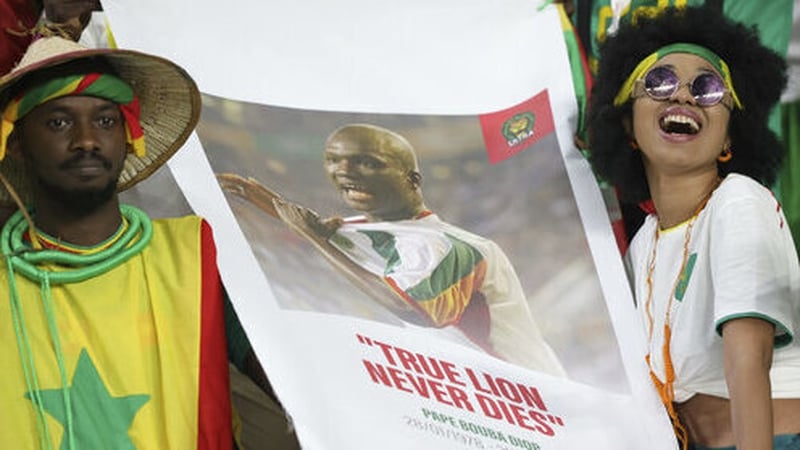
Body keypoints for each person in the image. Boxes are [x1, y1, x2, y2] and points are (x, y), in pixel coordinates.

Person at [0, 36, 297, 449]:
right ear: (16, 146)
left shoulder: (196, 258)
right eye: (59, 122)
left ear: (128, 137)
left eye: (105, 121)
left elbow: (297, 383)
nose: (87, 140)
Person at [587, 5, 800, 450]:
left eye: (708, 88)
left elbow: (748, 361)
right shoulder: (642, 244)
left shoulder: (738, 201)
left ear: (728, 139)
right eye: (660, 82)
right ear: (627, 124)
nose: (682, 96)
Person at [218, 123, 566, 377]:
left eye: (367, 162)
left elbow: (412, 308)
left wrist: (312, 237)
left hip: (528, 395)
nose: (344, 172)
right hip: (477, 393)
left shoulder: (448, 247)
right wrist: (261, 197)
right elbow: (322, 228)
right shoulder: (374, 227)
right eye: (334, 161)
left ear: (413, 180)